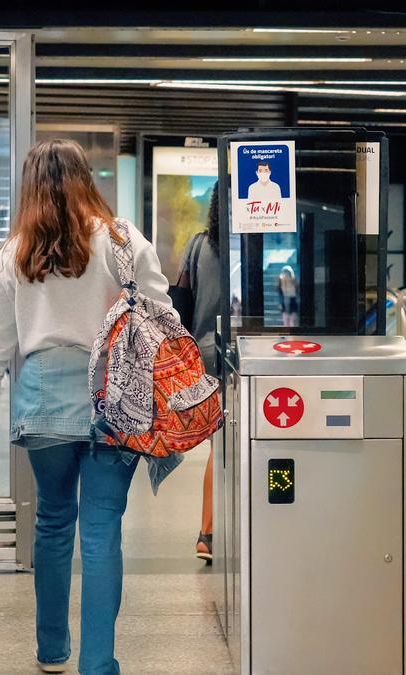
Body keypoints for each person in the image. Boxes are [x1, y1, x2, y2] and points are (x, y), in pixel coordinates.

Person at [0, 139, 173, 675]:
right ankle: (97, 664)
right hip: (116, 394)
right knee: (102, 528)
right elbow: (164, 316)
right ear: (87, 177)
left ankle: (51, 651)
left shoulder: (15, 252)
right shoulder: (124, 240)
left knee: (54, 522)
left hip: (41, 397)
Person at [177, 190, 223, 563]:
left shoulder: (198, 245)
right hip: (251, 352)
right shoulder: (253, 243)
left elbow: (181, 297)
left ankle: (206, 533)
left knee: (218, 446)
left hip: (205, 351)